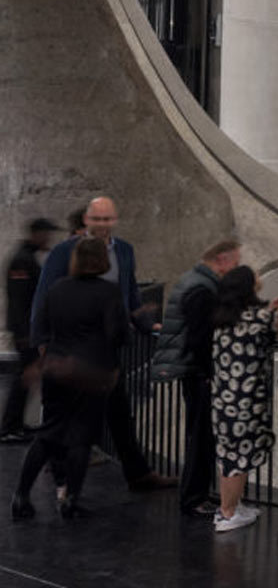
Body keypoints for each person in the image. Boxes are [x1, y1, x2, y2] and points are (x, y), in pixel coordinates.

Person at [31, 195, 172, 492]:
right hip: (70, 351)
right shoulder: (64, 252)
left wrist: (148, 325)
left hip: (105, 351)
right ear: (86, 220)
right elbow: (44, 298)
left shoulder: (124, 251)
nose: (102, 225)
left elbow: (131, 296)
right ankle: (62, 480)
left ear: (115, 220)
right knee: (64, 420)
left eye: (107, 219)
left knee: (119, 413)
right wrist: (42, 345)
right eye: (97, 219)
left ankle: (138, 474)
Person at [10, 238, 129, 521]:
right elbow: (118, 335)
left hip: (56, 369)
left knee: (47, 434)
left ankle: (21, 496)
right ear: (103, 260)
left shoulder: (57, 289)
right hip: (91, 373)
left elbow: (40, 327)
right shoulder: (108, 292)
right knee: (81, 438)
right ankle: (70, 500)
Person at [151, 238, 243, 516]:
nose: (235, 270)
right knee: (200, 437)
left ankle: (200, 493)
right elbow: (200, 337)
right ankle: (193, 498)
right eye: (235, 264)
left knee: (201, 435)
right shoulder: (201, 288)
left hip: (195, 371)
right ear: (222, 260)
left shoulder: (195, 281)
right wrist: (208, 373)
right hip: (198, 373)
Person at [210, 265, 278, 533]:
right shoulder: (257, 318)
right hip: (247, 401)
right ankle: (227, 513)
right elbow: (274, 342)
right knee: (239, 458)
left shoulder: (224, 318)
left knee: (228, 455)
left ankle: (232, 506)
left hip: (224, 399)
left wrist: (270, 312)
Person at [2, 218, 61, 443]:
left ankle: (15, 424)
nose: (48, 239)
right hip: (25, 332)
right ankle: (9, 427)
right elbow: (19, 301)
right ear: (36, 234)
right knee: (23, 378)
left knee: (25, 378)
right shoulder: (22, 261)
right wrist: (26, 334)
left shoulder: (27, 258)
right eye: (46, 234)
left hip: (27, 330)